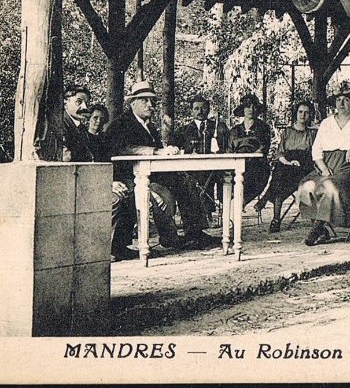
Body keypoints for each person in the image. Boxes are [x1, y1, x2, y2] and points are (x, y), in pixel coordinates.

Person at [104, 80, 185, 261]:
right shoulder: (121, 124)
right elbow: (124, 148)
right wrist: (156, 151)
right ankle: (165, 238)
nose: (151, 105)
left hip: (146, 176)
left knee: (182, 181)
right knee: (158, 195)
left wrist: (168, 150)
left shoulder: (149, 126)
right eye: (145, 101)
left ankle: (186, 234)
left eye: (152, 101)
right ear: (133, 103)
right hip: (122, 177)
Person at [298, 82, 350, 246]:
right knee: (305, 186)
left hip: (346, 166)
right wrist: (323, 168)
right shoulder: (327, 123)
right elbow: (316, 149)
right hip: (325, 164)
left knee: (331, 187)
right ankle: (322, 228)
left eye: (346, 100)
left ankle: (317, 228)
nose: (341, 103)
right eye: (339, 100)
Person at [257, 100, 316, 233]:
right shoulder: (287, 132)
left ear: (310, 115)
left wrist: (297, 163)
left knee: (280, 177)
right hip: (287, 165)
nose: (303, 115)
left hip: (303, 167)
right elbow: (280, 153)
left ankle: (268, 202)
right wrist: (288, 162)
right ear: (296, 114)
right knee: (281, 171)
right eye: (300, 112)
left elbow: (313, 155)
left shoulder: (311, 134)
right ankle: (275, 219)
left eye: (306, 113)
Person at [169, 95, 229, 219]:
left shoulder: (218, 127)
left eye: (203, 108)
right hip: (191, 168)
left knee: (223, 176)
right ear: (191, 111)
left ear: (208, 109)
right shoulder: (183, 130)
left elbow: (227, 145)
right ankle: (197, 215)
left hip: (215, 166)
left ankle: (220, 212)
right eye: (196, 109)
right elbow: (172, 146)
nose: (200, 112)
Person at [226, 93, 273, 208]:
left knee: (255, 173)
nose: (251, 109)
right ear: (243, 109)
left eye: (254, 106)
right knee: (225, 177)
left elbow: (264, 147)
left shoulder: (263, 128)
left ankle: (240, 202)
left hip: (256, 165)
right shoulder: (235, 130)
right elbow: (230, 150)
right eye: (248, 106)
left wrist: (250, 157)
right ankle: (230, 205)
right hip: (236, 164)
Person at [61, 85, 94, 163]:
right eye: (79, 102)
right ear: (66, 103)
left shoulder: (82, 129)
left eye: (87, 103)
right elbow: (66, 157)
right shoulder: (60, 125)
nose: (84, 107)